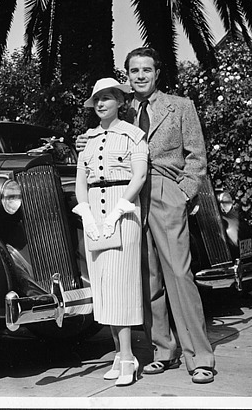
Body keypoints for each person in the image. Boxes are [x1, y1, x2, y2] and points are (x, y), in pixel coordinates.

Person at [76, 47, 216, 384]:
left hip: (165, 191)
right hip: (128, 196)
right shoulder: (120, 113)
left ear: (157, 73)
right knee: (147, 275)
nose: (140, 76)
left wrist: (183, 192)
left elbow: (197, 157)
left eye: (146, 70)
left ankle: (200, 357)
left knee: (178, 274)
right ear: (127, 76)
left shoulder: (180, 107)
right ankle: (162, 350)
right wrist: (86, 143)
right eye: (134, 71)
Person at [73, 77, 148, 386]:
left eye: (107, 98)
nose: (101, 103)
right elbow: (81, 182)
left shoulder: (133, 136)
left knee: (122, 286)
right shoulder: (87, 140)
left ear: (120, 101)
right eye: (97, 99)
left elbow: (139, 175)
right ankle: (119, 354)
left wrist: (120, 209)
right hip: (95, 215)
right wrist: (87, 215)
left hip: (123, 213)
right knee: (103, 287)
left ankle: (130, 356)